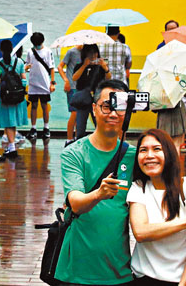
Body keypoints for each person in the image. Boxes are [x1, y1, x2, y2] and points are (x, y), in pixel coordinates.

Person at [54, 79, 136, 285]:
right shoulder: (74, 153)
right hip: (78, 269)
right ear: (94, 108)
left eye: (121, 107)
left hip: (120, 269)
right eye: (107, 106)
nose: (114, 114)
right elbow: (75, 203)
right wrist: (99, 194)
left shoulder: (134, 156)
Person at [128, 129, 186, 286]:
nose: (149, 156)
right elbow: (140, 232)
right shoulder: (138, 187)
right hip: (147, 278)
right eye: (143, 150)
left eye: (157, 149)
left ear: (168, 153)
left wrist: (182, 284)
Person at [0, 39, 27, 158]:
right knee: (13, 122)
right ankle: (11, 146)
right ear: (12, 49)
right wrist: (20, 90)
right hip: (18, 97)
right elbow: (24, 80)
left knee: (8, 122)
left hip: (5, 97)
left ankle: (12, 146)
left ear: (1, 50)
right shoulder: (19, 62)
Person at [72, 44, 111, 139]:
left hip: (96, 99)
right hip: (83, 99)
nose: (93, 55)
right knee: (80, 125)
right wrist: (84, 65)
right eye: (90, 53)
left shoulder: (100, 67)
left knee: (98, 123)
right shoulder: (79, 65)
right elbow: (74, 78)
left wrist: (105, 68)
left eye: (95, 52)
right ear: (85, 54)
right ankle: (79, 142)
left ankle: (101, 143)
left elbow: (108, 78)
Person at [25, 32, 55, 141]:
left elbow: (51, 67)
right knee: (33, 106)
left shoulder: (48, 52)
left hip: (44, 84)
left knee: (44, 106)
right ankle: (33, 128)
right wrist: (26, 67)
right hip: (33, 83)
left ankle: (46, 128)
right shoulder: (30, 52)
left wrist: (52, 82)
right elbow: (27, 66)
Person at [58, 44, 83, 144]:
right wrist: (66, 80)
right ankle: (69, 138)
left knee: (80, 114)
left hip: (82, 87)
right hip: (72, 86)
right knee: (75, 112)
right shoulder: (72, 52)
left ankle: (77, 137)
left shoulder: (87, 53)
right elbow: (60, 67)